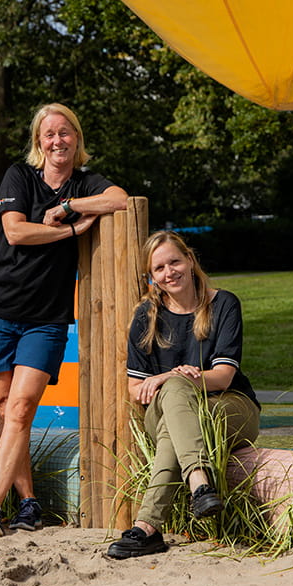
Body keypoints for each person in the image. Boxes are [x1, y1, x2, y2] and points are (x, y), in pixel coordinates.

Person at [0, 103, 129, 536]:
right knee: (5, 409)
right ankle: (29, 503)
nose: (57, 141)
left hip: (46, 318)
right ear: (38, 143)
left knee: (22, 407)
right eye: (49, 134)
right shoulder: (19, 176)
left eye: (65, 132)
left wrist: (69, 205)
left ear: (76, 138)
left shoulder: (85, 183)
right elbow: (16, 231)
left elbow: (119, 200)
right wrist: (73, 229)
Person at [106, 231, 260, 559]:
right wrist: (173, 379)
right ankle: (200, 485)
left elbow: (223, 377)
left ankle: (146, 528)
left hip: (230, 406)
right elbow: (137, 388)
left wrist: (170, 376)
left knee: (175, 412)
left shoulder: (224, 304)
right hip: (166, 411)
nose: (169, 272)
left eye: (174, 262)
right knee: (176, 394)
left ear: (190, 260)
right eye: (159, 268)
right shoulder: (146, 316)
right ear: (152, 276)